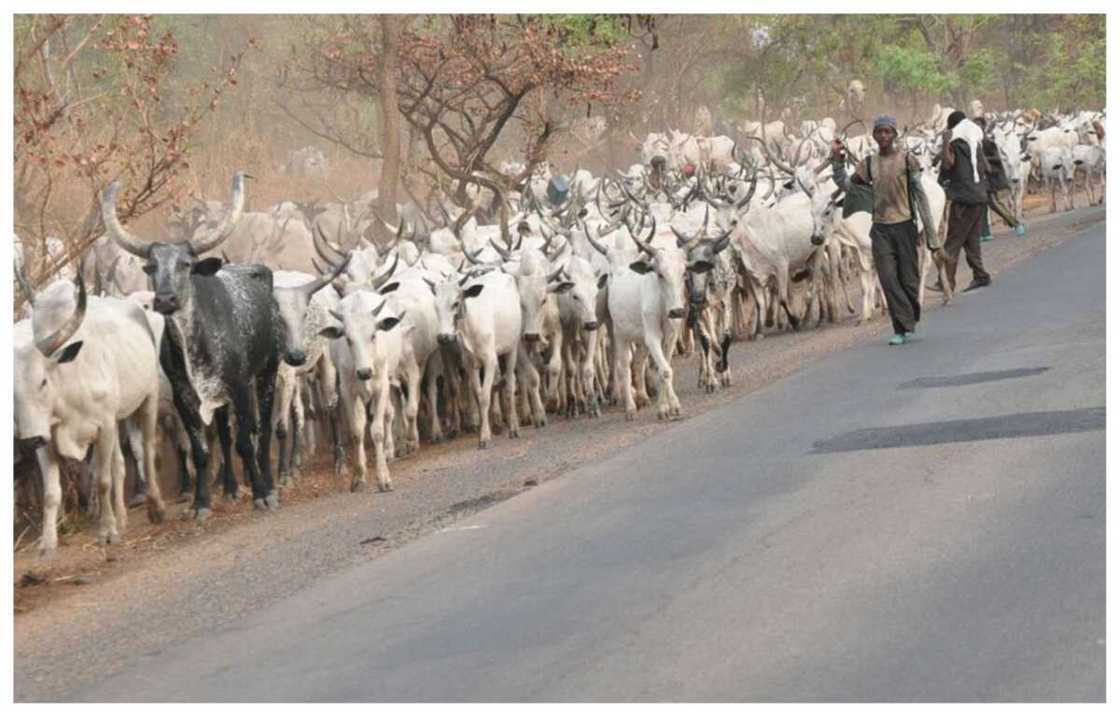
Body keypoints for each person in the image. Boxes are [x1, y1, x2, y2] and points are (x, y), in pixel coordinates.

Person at [831, 115, 940, 346]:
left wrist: (931, 233)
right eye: (879, 132)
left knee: (909, 280)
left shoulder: (907, 160)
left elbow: (919, 195)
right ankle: (900, 327)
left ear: (894, 134)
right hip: (880, 229)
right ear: (874, 136)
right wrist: (837, 161)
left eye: (887, 132)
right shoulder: (869, 164)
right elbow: (847, 186)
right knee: (888, 279)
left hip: (905, 226)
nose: (883, 136)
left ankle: (909, 315)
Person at [938, 110, 992, 293]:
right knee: (971, 240)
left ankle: (946, 282)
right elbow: (987, 167)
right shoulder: (975, 144)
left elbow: (947, 164)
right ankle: (981, 275)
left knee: (952, 242)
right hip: (979, 196)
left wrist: (945, 141)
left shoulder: (956, 143)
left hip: (963, 199)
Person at [974, 116, 1025, 242]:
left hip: (989, 178)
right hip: (978, 179)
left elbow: (997, 159)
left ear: (983, 127)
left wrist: (984, 159)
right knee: (980, 206)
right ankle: (985, 233)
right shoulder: (973, 143)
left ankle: (1016, 223)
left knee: (995, 204)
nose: (976, 128)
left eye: (978, 125)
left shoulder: (987, 142)